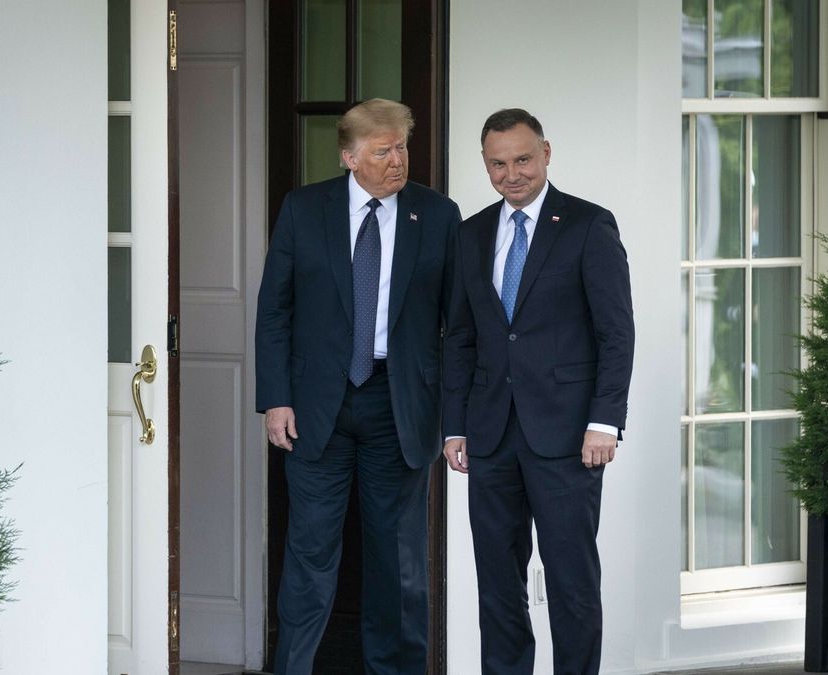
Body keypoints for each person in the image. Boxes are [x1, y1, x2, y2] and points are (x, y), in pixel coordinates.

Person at [255, 98, 460, 675]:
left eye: (402, 147)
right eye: (382, 150)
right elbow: (275, 310)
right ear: (349, 157)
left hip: (399, 405)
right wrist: (275, 398)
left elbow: (457, 324)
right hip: (317, 407)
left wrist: (455, 416)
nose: (398, 161)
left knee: (398, 563)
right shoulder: (303, 208)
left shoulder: (437, 215)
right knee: (310, 555)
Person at [442, 108, 634, 675]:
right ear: (484, 163)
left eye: (522, 159)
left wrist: (606, 420)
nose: (512, 174)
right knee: (497, 585)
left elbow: (616, 333)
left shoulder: (587, 225)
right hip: (490, 435)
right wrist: (455, 425)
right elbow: (460, 338)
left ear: (546, 153)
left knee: (572, 582)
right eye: (498, 163)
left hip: (569, 436)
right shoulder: (470, 234)